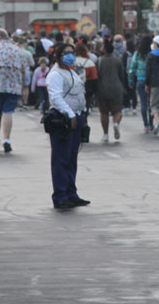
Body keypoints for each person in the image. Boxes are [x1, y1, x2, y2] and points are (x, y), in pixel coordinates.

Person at [46, 43, 90, 209]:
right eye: (66, 53)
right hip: (63, 120)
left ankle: (71, 193)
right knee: (61, 159)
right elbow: (56, 98)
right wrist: (70, 114)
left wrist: (81, 114)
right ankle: (60, 195)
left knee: (71, 159)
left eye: (72, 53)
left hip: (75, 118)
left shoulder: (71, 72)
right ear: (58, 56)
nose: (70, 56)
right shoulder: (55, 74)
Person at [95, 40, 127, 142]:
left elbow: (97, 76)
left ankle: (105, 134)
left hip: (102, 89)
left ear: (104, 49)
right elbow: (122, 75)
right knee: (117, 111)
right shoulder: (118, 60)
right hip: (116, 89)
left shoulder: (99, 61)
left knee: (104, 112)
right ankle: (116, 123)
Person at [129, 35, 153, 133]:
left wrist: (130, 81)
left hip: (140, 80)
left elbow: (131, 68)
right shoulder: (152, 54)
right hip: (151, 81)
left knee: (143, 103)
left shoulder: (137, 54)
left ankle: (146, 125)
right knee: (151, 103)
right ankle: (152, 123)